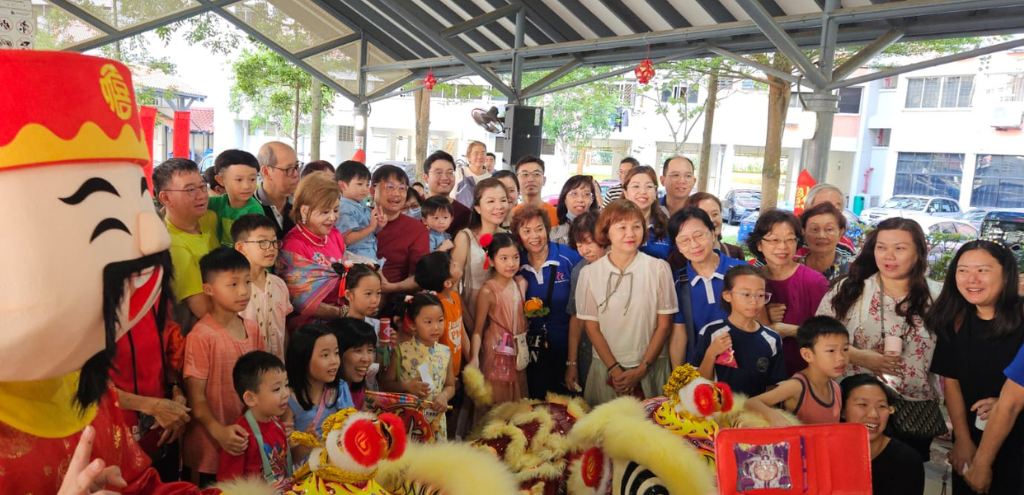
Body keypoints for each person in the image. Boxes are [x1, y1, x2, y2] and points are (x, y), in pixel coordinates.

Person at [816, 217, 941, 460]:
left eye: (900, 248)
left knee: (903, 473)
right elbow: (816, 337)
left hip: (914, 410)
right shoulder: (850, 289)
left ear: (919, 252)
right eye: (881, 247)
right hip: (854, 408)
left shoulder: (938, 297)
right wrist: (858, 356)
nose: (888, 256)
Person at [926, 241, 1024, 494]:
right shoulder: (955, 319)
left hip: (1017, 439)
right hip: (971, 434)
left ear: (1006, 274)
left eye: (983, 270)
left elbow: (1014, 399)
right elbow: (952, 382)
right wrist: (962, 440)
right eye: (963, 270)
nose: (972, 279)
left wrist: (1004, 402)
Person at [575, 200, 677, 406]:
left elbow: (664, 326)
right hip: (606, 368)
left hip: (651, 366)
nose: (630, 234)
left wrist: (642, 368)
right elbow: (592, 328)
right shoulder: (589, 273)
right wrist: (614, 369)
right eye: (622, 227)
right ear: (606, 232)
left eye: (636, 226)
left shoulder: (659, 269)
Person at [183, 248, 267, 486]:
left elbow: (263, 382)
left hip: (247, 443)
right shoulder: (201, 335)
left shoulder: (253, 329)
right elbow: (196, 399)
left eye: (247, 282)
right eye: (233, 284)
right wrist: (219, 431)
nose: (243, 291)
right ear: (208, 289)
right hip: (209, 448)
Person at [748, 209, 829, 374]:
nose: (782, 247)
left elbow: (829, 333)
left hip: (803, 373)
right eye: (774, 240)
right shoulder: (749, 280)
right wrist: (761, 313)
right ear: (759, 244)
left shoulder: (814, 282)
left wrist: (789, 330)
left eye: (790, 239)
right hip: (756, 370)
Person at [513, 206, 583, 398]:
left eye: (539, 229)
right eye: (527, 231)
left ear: (547, 229)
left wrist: (573, 362)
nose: (534, 236)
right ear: (518, 235)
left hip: (568, 347)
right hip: (531, 351)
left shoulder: (569, 258)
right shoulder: (516, 264)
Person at [667, 207, 746, 366]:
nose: (694, 245)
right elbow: (679, 335)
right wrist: (679, 375)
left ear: (713, 233)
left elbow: (759, 322)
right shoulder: (677, 282)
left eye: (699, 235)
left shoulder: (742, 272)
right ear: (678, 246)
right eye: (684, 240)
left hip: (744, 364)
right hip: (699, 367)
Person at [694, 265, 786, 397]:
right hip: (718, 407)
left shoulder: (772, 338)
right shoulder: (712, 332)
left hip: (755, 408)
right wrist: (711, 354)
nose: (754, 301)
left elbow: (775, 385)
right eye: (746, 294)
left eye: (760, 295)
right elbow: (697, 384)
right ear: (727, 295)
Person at [745, 316, 850, 426]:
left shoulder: (836, 388)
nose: (841, 357)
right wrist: (773, 416)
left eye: (845, 349)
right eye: (831, 351)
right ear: (807, 355)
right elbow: (751, 403)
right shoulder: (797, 386)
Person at [381, 293, 456, 442]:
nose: (436, 327)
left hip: (436, 422)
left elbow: (450, 386)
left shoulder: (445, 352)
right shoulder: (401, 351)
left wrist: (444, 396)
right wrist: (406, 385)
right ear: (412, 324)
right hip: (408, 421)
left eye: (440, 320)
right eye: (428, 322)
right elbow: (386, 385)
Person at [277, 171, 346, 331]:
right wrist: (344, 313)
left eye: (336, 210)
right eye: (325, 212)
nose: (333, 217)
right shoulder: (293, 246)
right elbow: (302, 303)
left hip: (340, 319)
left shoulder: (334, 235)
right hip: (308, 329)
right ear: (304, 211)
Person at [467, 233, 530, 408]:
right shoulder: (488, 291)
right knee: (498, 400)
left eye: (515, 257)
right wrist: (474, 358)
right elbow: (478, 330)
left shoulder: (521, 283)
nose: (511, 263)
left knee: (517, 401)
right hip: (496, 352)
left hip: (518, 349)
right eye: (504, 258)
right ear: (491, 261)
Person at [155, 157, 219, 326]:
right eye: (190, 190)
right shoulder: (172, 246)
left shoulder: (210, 218)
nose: (202, 196)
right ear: (166, 198)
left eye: (202, 187)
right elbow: (204, 311)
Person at [217, 351, 293, 490]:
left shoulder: (278, 425)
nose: (286, 393)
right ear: (250, 398)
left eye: (286, 385)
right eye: (277, 389)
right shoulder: (240, 437)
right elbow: (228, 486)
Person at [841, 374, 925, 495]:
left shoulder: (906, 461)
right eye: (863, 404)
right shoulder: (825, 453)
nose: (874, 414)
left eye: (881, 406)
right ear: (842, 410)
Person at [284, 323, 354, 459]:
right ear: (303, 357)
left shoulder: (340, 389)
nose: (334, 361)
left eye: (336, 353)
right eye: (325, 355)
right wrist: (306, 445)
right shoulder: (289, 399)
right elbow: (289, 458)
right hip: (306, 469)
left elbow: (351, 429)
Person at [452, 177, 510, 335]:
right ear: (477, 207)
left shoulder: (508, 236)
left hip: (501, 316)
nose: (499, 206)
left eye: (503, 200)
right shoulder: (465, 237)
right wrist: (470, 325)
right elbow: (453, 286)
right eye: (491, 201)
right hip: (470, 313)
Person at [233, 213, 293, 361]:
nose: (271, 248)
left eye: (274, 242)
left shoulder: (279, 285)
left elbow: (283, 330)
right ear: (241, 248)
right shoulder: (233, 289)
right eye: (263, 242)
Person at [373, 164, 430, 294]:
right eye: (390, 187)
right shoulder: (357, 220)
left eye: (402, 188)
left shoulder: (416, 229)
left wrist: (392, 287)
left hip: (392, 297)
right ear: (372, 190)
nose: (396, 193)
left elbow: (421, 276)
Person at [565, 211, 604, 395]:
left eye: (589, 243)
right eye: (579, 245)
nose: (584, 250)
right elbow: (576, 318)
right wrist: (571, 363)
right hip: (589, 351)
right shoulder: (580, 270)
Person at [207, 149, 265, 248]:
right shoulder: (218, 203)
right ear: (220, 180)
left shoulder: (254, 211)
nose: (246, 186)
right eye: (239, 180)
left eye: (252, 179)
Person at [335, 160, 385, 263]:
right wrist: (371, 227)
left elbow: (369, 231)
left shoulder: (360, 203)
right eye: (359, 184)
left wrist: (378, 225)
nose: (365, 189)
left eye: (367, 184)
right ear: (342, 185)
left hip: (368, 255)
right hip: (355, 258)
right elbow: (346, 238)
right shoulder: (344, 207)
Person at [623, 166, 672, 260]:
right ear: (625, 193)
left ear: (655, 192)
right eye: (636, 186)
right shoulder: (613, 225)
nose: (642, 192)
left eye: (649, 186)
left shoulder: (667, 226)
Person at [256, 141, 301, 239]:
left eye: (296, 167)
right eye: (289, 169)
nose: (296, 174)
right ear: (266, 172)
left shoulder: (301, 206)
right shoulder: (250, 208)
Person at [330, 317, 378, 411]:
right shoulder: (326, 395)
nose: (366, 359)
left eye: (370, 350)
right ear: (337, 353)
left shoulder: (360, 391)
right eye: (358, 350)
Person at [798, 203, 853, 282]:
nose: (821, 236)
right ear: (804, 232)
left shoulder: (851, 270)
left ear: (840, 233)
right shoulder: (793, 270)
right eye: (815, 229)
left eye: (829, 229)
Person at [423, 150, 472, 236]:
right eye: (438, 172)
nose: (445, 177)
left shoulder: (464, 213)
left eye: (450, 172)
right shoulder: (415, 206)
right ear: (426, 178)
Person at [684, 192, 744, 260]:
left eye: (715, 214)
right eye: (704, 215)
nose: (711, 220)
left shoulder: (735, 254)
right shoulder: (679, 260)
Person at [805, 183, 856, 254]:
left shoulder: (845, 246)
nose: (830, 215)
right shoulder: (792, 238)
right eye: (824, 208)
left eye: (837, 209)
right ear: (807, 208)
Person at [551, 174, 600, 246]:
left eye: (586, 194)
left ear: (592, 199)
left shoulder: (602, 232)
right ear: (564, 198)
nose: (580, 200)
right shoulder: (551, 235)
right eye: (574, 193)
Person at [513, 155, 558, 226]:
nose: (530, 179)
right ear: (516, 180)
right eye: (525, 174)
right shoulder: (511, 215)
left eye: (536, 174)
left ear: (544, 180)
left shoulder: (556, 215)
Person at [452, 141, 491, 207]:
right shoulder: (459, 173)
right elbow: (452, 197)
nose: (480, 156)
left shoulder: (490, 178)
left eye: (483, 153)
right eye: (476, 153)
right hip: (461, 211)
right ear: (468, 156)